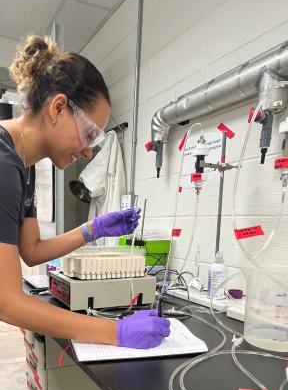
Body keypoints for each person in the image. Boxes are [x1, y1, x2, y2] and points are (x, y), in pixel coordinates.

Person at [0, 36, 170, 348]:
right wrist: (115, 333)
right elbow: (7, 302)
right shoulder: (3, 163)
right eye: (89, 133)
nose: (88, 152)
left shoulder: (24, 166)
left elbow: (32, 249)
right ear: (58, 107)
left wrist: (91, 229)